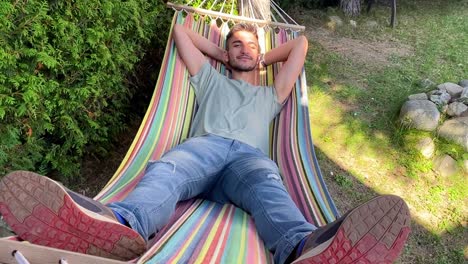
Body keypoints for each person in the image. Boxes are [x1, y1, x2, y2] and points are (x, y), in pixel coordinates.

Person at [0, 22, 411, 263]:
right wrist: (225, 52)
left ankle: (302, 248)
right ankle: (122, 226)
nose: (244, 48)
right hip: (205, 148)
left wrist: (258, 54)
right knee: (169, 168)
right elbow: (181, 30)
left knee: (269, 187)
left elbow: (300, 44)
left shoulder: (272, 94)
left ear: (264, 54)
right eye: (236, 44)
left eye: (251, 45)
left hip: (247, 163)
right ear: (224, 53)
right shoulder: (210, 79)